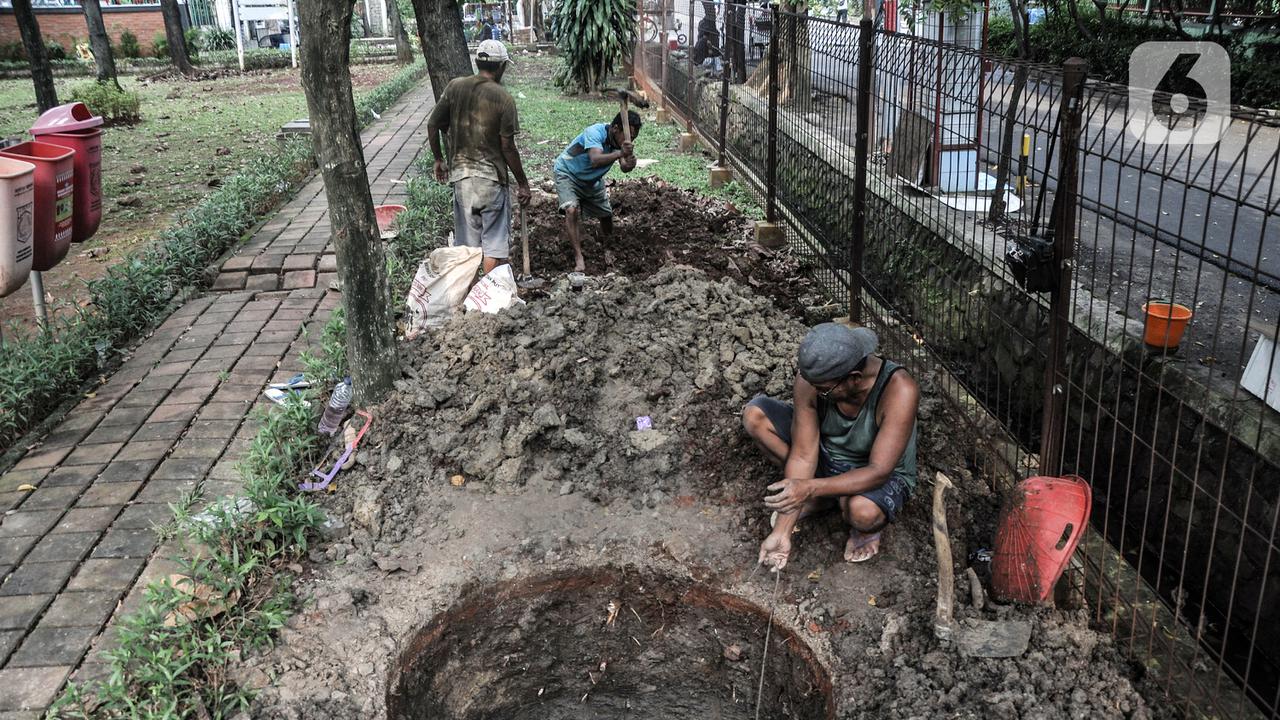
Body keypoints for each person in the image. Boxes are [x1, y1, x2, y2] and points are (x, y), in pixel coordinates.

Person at [744, 323, 919, 570]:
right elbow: (804, 455)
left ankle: (861, 528)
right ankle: (826, 499)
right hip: (825, 458)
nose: (814, 392)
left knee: (863, 513)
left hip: (874, 473)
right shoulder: (813, 380)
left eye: (824, 391)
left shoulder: (900, 390)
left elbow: (879, 470)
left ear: (854, 379)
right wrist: (783, 532)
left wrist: (809, 487)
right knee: (756, 416)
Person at [427, 39, 532, 274]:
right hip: (491, 180)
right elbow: (508, 147)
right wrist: (523, 183)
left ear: (477, 62)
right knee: (494, 246)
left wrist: (438, 159)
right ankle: (487, 298)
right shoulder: (503, 99)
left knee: (468, 249)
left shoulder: (455, 87)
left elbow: (433, 124)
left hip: (462, 179)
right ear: (502, 67)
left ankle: (471, 298)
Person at [552, 111, 641, 272]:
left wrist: (630, 163)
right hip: (568, 173)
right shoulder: (594, 132)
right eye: (628, 136)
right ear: (615, 128)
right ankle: (578, 257)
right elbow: (595, 160)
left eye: (633, 138)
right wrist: (621, 153)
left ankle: (608, 246)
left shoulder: (620, 142)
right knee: (571, 209)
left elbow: (624, 167)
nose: (630, 141)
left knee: (606, 214)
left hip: (591, 180)